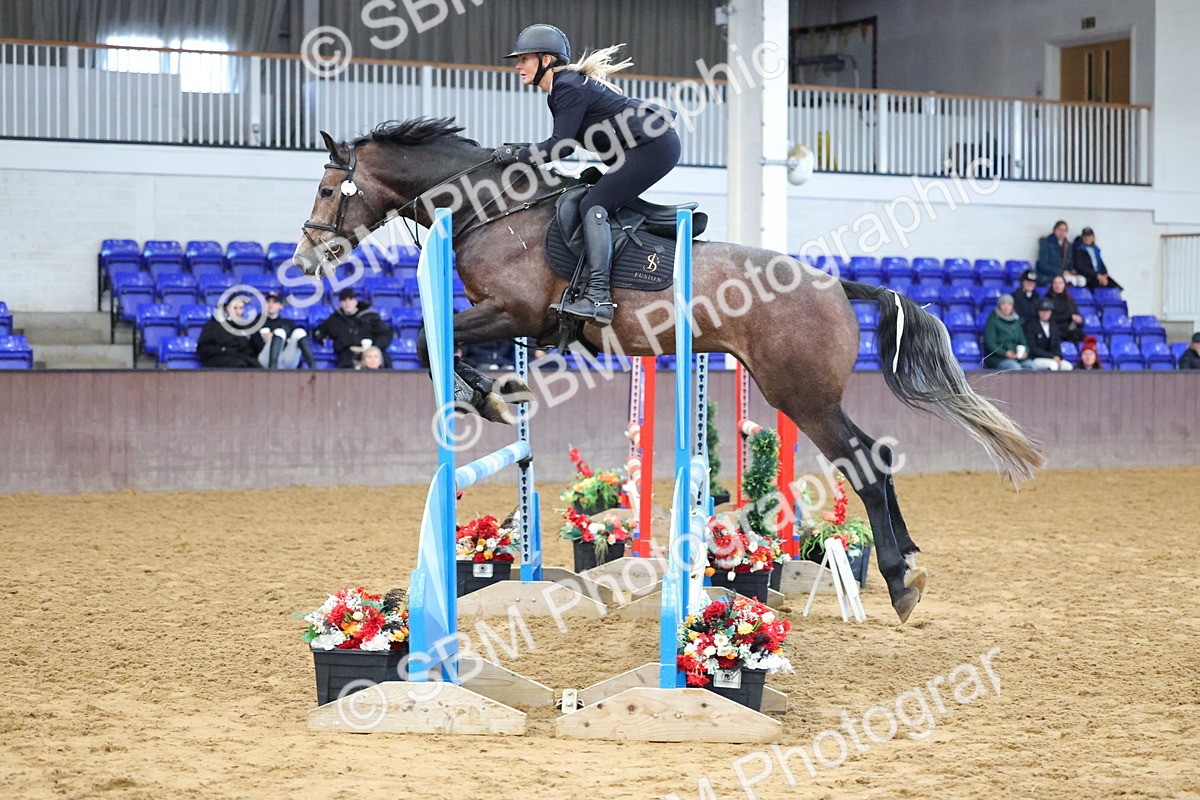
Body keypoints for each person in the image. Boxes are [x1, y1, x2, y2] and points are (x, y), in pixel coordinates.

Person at [494, 24, 680, 327]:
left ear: (545, 60)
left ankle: (599, 297)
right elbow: (560, 143)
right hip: (641, 148)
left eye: (524, 59)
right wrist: (519, 150)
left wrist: (518, 156)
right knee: (592, 198)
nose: (518, 66)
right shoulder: (561, 89)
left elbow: (561, 147)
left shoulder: (567, 87)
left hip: (653, 147)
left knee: (593, 205)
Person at [313, 288, 393, 369]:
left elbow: (386, 333)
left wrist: (375, 346)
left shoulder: (370, 316)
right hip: (349, 353)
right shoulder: (335, 319)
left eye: (350, 299)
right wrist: (321, 337)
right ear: (340, 303)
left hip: (371, 349)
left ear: (355, 301)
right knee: (346, 365)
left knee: (381, 358)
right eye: (344, 300)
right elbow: (319, 331)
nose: (347, 303)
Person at [197, 295, 263, 368]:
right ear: (227, 308)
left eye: (241, 308)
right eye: (235, 308)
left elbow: (257, 348)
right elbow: (203, 349)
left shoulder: (247, 327)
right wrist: (223, 350)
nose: (238, 312)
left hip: (244, 360)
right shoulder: (213, 326)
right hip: (220, 361)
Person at [257, 291, 315, 369]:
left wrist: (284, 339)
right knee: (279, 332)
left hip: (285, 359)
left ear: (281, 306)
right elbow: (253, 343)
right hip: (265, 360)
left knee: (300, 332)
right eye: (268, 302)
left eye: (274, 302)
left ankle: (313, 368)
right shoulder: (258, 321)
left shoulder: (287, 323)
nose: (271, 305)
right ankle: (272, 369)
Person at [983, 294, 1035, 370]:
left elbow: (1023, 340)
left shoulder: (1016, 321)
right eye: (1003, 304)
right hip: (997, 358)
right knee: (1014, 367)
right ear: (999, 306)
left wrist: (1025, 351)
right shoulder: (992, 321)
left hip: (1016, 357)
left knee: (1031, 365)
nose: (1006, 307)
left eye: (1009, 304)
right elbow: (990, 344)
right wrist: (1005, 353)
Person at [1023, 298, 1073, 371]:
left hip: (1053, 358)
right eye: (1042, 311)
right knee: (1052, 365)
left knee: (1067, 366)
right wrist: (1051, 356)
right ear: (1038, 312)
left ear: (1051, 312)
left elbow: (1056, 344)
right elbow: (1033, 348)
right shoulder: (1031, 326)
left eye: (1047, 311)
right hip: (1036, 358)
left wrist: (1058, 356)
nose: (1045, 313)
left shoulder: (1053, 326)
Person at [1045, 275, 1084, 344]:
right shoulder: (1047, 300)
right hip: (1056, 331)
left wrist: (1080, 320)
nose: (1057, 286)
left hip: (1071, 330)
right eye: (1055, 283)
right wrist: (1069, 316)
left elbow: (1077, 314)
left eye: (1060, 283)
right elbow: (1049, 318)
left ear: (1064, 285)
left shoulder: (1070, 300)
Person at [1035, 220, 1071, 287]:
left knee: (1081, 281)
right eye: (1060, 230)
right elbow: (1043, 264)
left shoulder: (1067, 245)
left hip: (1063, 274)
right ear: (1054, 230)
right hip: (1049, 275)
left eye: (1064, 230)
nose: (1062, 232)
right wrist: (1060, 272)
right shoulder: (1046, 243)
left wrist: (1072, 271)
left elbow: (1070, 262)